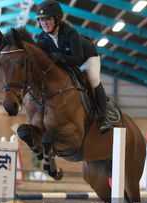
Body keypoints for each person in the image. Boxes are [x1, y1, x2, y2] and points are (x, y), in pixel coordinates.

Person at [36, 0, 111, 134]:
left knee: (93, 79)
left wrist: (59, 57)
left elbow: (77, 59)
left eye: (47, 19)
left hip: (87, 58)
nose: (44, 23)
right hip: (66, 61)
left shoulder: (71, 33)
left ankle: (103, 117)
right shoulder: (42, 38)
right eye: (41, 19)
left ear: (57, 19)